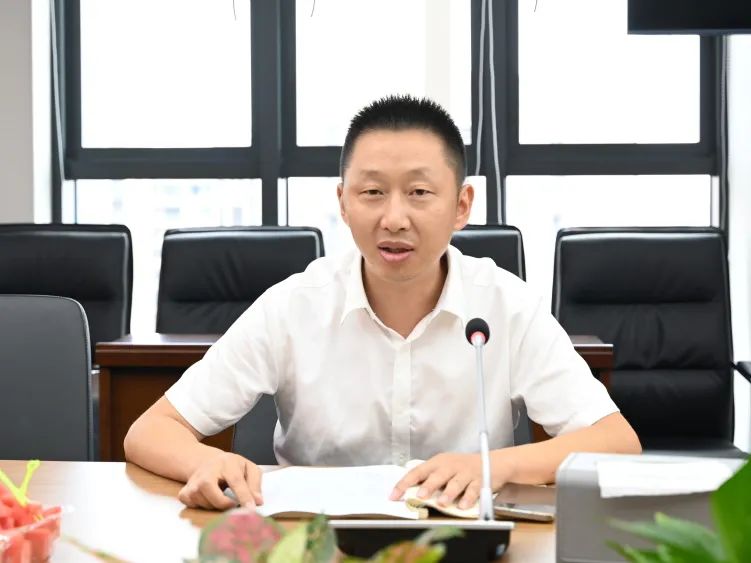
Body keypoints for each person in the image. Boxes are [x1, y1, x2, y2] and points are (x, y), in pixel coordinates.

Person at [124, 95, 640, 512]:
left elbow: (617, 441)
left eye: (419, 193)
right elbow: (150, 430)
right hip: (320, 544)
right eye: (372, 192)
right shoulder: (294, 306)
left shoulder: (506, 305)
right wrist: (204, 462)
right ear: (343, 203)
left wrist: (493, 467)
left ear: (461, 205)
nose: (394, 218)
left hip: (460, 543)